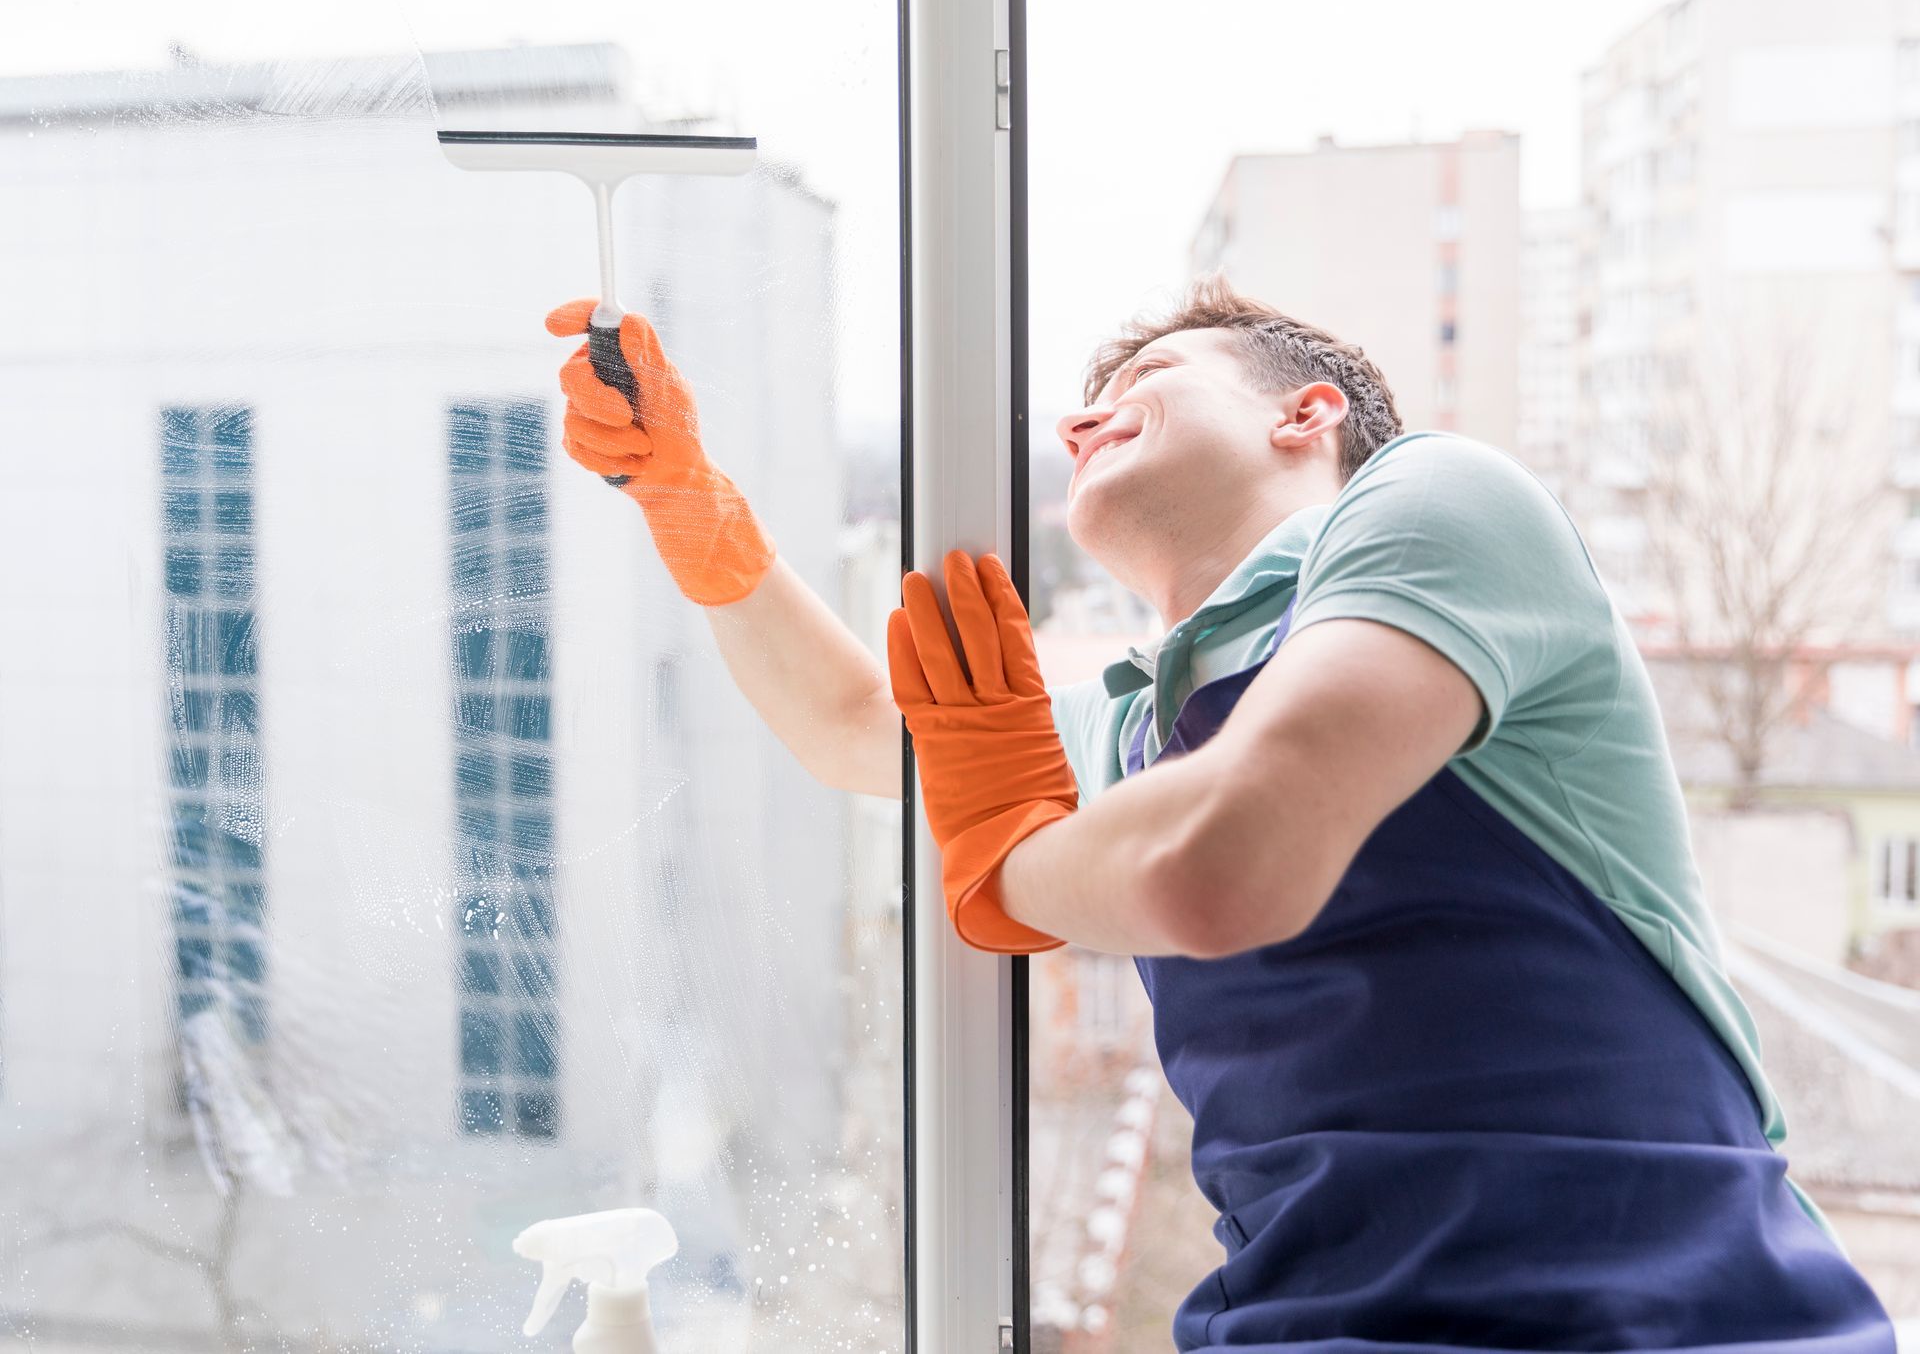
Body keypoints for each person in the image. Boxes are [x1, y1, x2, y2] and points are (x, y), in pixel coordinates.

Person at [547, 281, 1896, 1352]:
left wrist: (1007, 849)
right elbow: (855, 732)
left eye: (1142, 384)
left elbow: (1224, 865)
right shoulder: (1140, 729)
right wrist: (687, 501)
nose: (1082, 422)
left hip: (1656, 1315)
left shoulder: (1443, 505)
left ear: (1305, 415)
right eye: (1081, 412)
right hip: (1312, 1319)